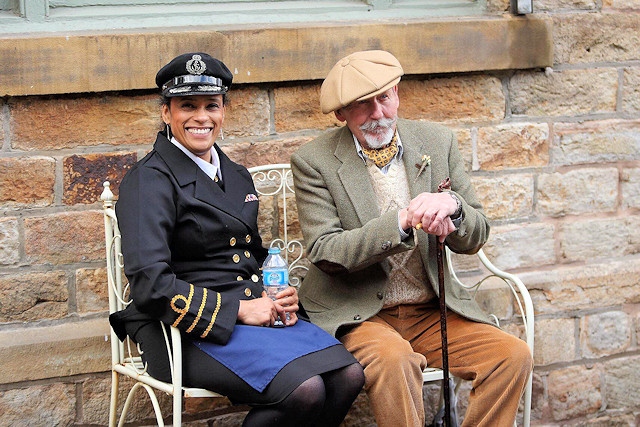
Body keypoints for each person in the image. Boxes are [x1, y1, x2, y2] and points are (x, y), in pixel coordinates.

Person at [109, 52, 364, 427]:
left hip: (252, 317)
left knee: (349, 376)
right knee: (305, 390)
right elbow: (150, 284)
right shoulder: (149, 180)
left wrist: (279, 291)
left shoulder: (237, 175)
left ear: (223, 111)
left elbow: (249, 254)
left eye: (211, 105)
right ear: (166, 113)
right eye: (187, 106)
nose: (201, 117)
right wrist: (240, 311)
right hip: (181, 329)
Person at [290, 50, 533, 427]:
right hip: (361, 315)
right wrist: (400, 221)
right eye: (361, 105)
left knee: (511, 355)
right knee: (394, 360)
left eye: (384, 98)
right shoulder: (314, 160)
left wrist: (453, 208)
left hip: (432, 310)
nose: (378, 113)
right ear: (340, 114)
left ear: (397, 93)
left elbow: (477, 234)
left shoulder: (437, 142)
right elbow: (326, 252)